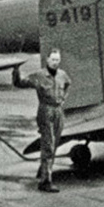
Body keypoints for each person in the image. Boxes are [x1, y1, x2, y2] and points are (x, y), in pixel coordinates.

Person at [13, 49, 71, 192]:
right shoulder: (39, 76)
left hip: (58, 111)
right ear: (47, 60)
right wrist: (16, 71)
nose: (55, 63)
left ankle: (45, 169)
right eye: (53, 60)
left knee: (54, 143)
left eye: (57, 60)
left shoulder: (62, 75)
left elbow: (68, 84)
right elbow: (19, 83)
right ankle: (45, 182)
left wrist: (63, 99)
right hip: (46, 111)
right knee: (48, 145)